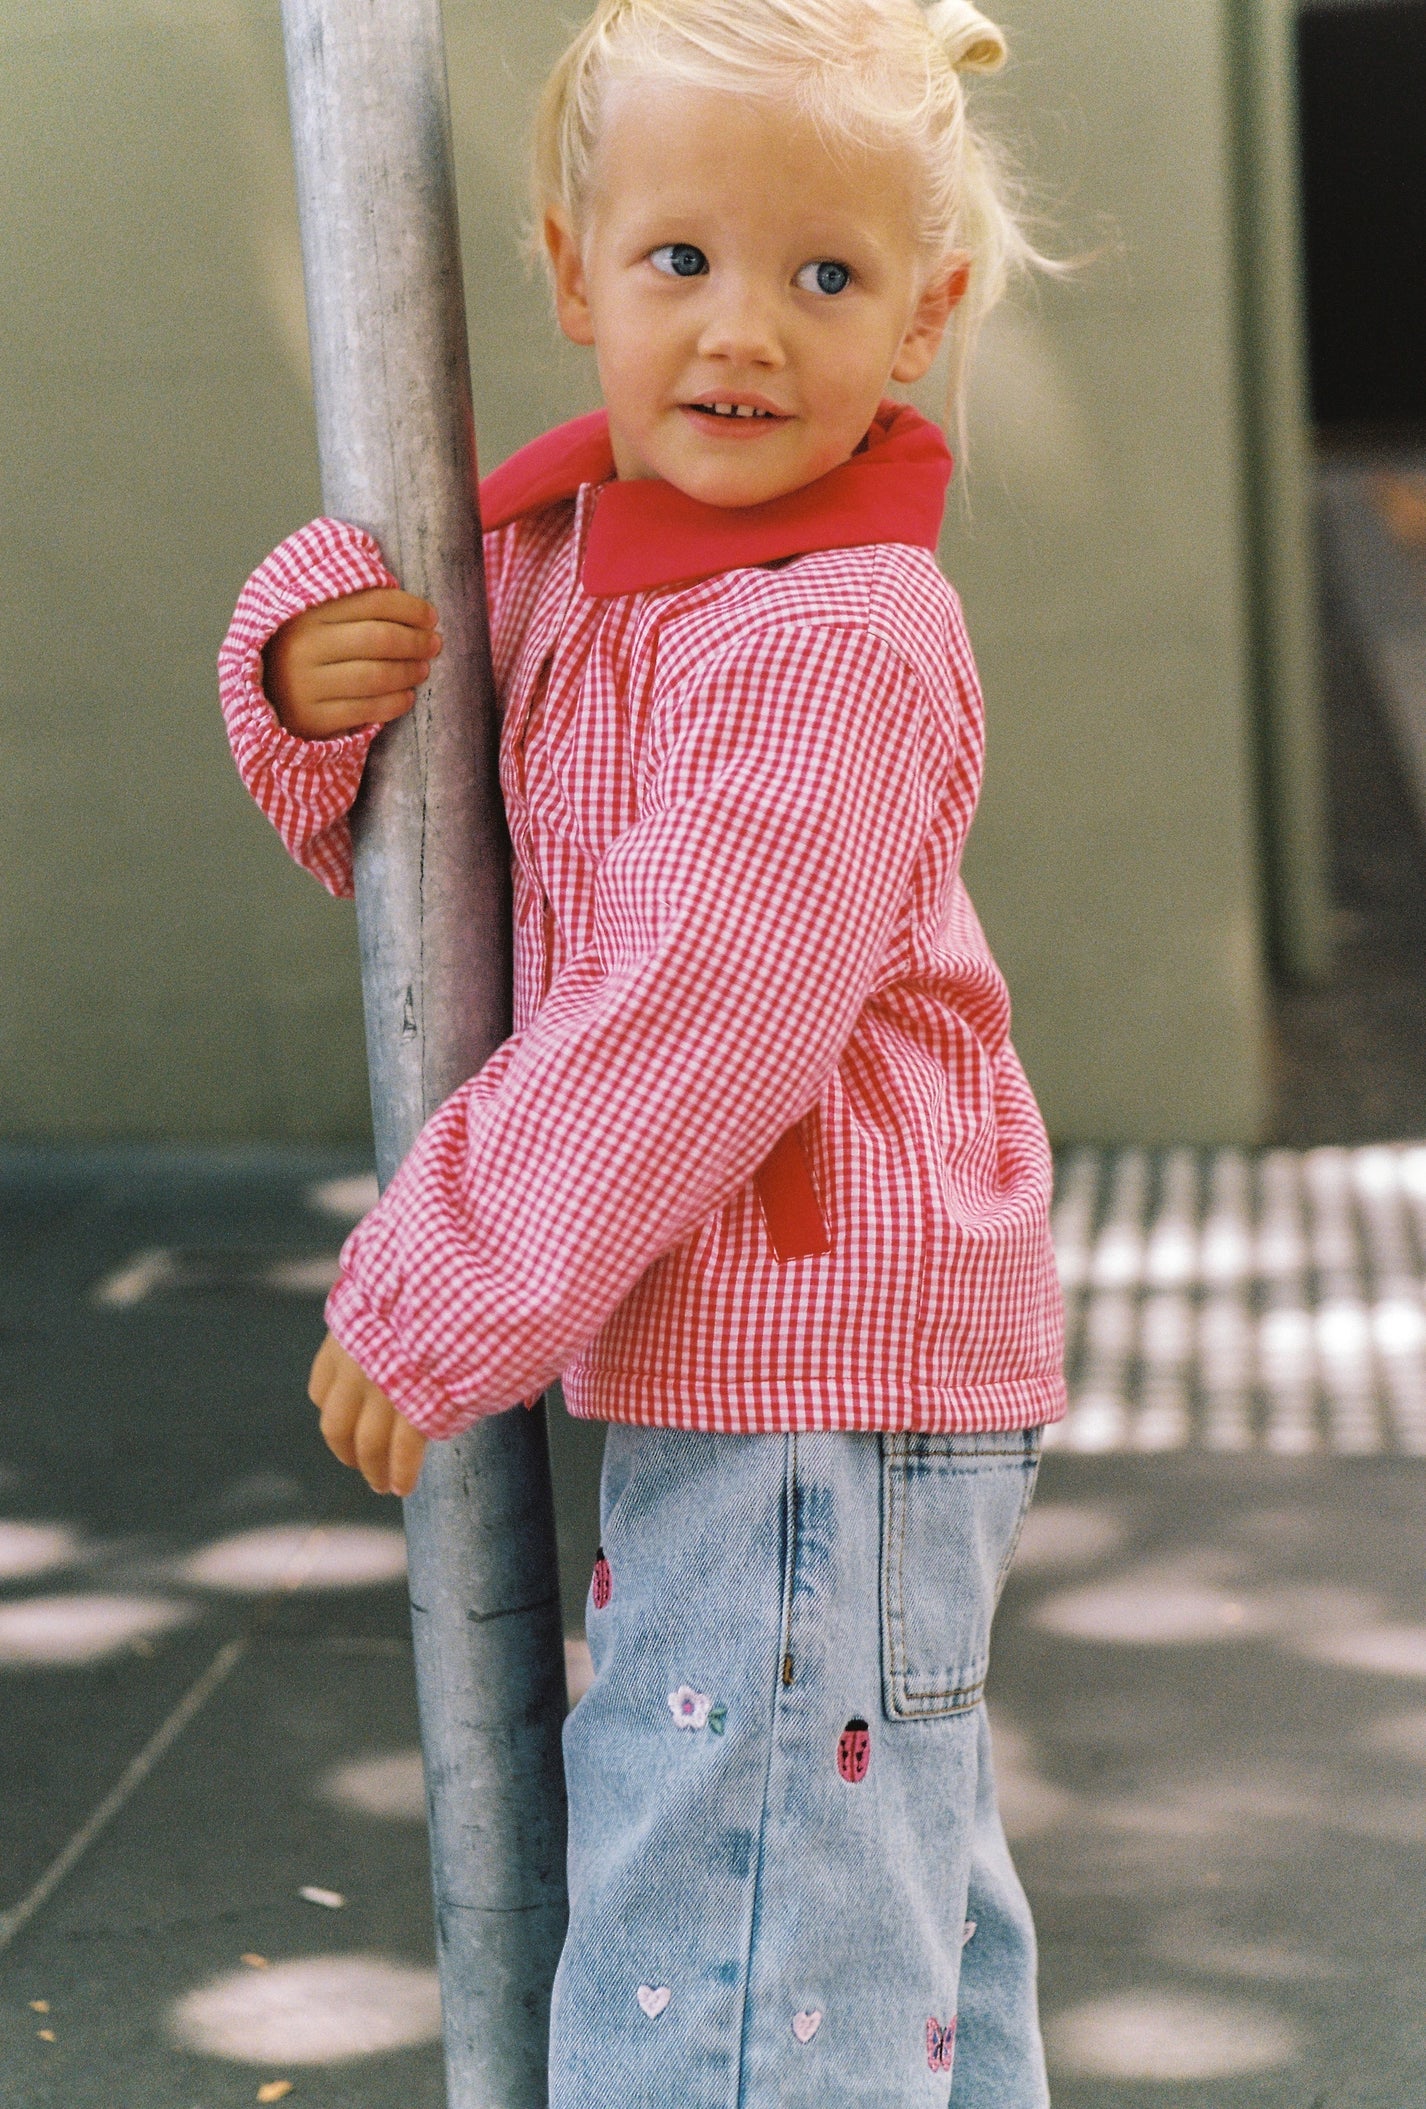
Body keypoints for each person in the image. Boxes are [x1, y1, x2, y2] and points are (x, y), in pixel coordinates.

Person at [218, 0, 1066, 2098]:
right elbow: (447, 822)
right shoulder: (591, 557)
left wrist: (447, 1275)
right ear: (570, 266)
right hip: (778, 1367)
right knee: (856, 1918)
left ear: (923, 312)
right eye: (681, 257)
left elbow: (697, 1009)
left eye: (824, 275)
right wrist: (303, 673)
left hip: (812, 1382)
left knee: (731, 1933)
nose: (741, 329)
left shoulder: (826, 636)